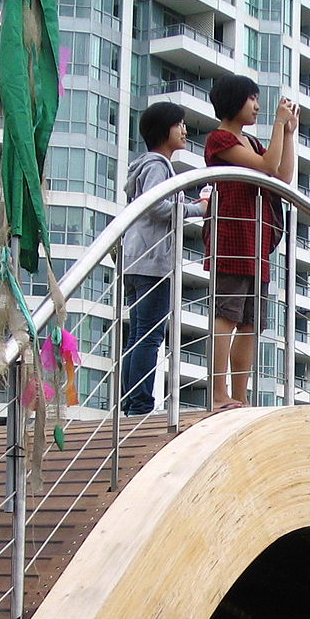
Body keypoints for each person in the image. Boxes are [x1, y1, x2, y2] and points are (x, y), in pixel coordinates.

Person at [205, 74, 298, 411]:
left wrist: (288, 135)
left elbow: (282, 175)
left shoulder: (253, 142)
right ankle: (218, 393)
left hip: (255, 241)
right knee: (226, 316)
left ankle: (239, 395)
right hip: (232, 236)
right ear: (234, 100)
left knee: (249, 323)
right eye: (252, 99)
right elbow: (267, 166)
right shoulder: (219, 139)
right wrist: (277, 124)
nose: (257, 106)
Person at [120, 101, 209, 416]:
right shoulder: (158, 164)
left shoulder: (144, 165)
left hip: (135, 259)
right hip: (152, 259)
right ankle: (140, 405)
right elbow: (158, 207)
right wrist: (200, 208)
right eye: (179, 124)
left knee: (139, 332)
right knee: (150, 334)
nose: (184, 130)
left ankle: (132, 402)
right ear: (163, 129)